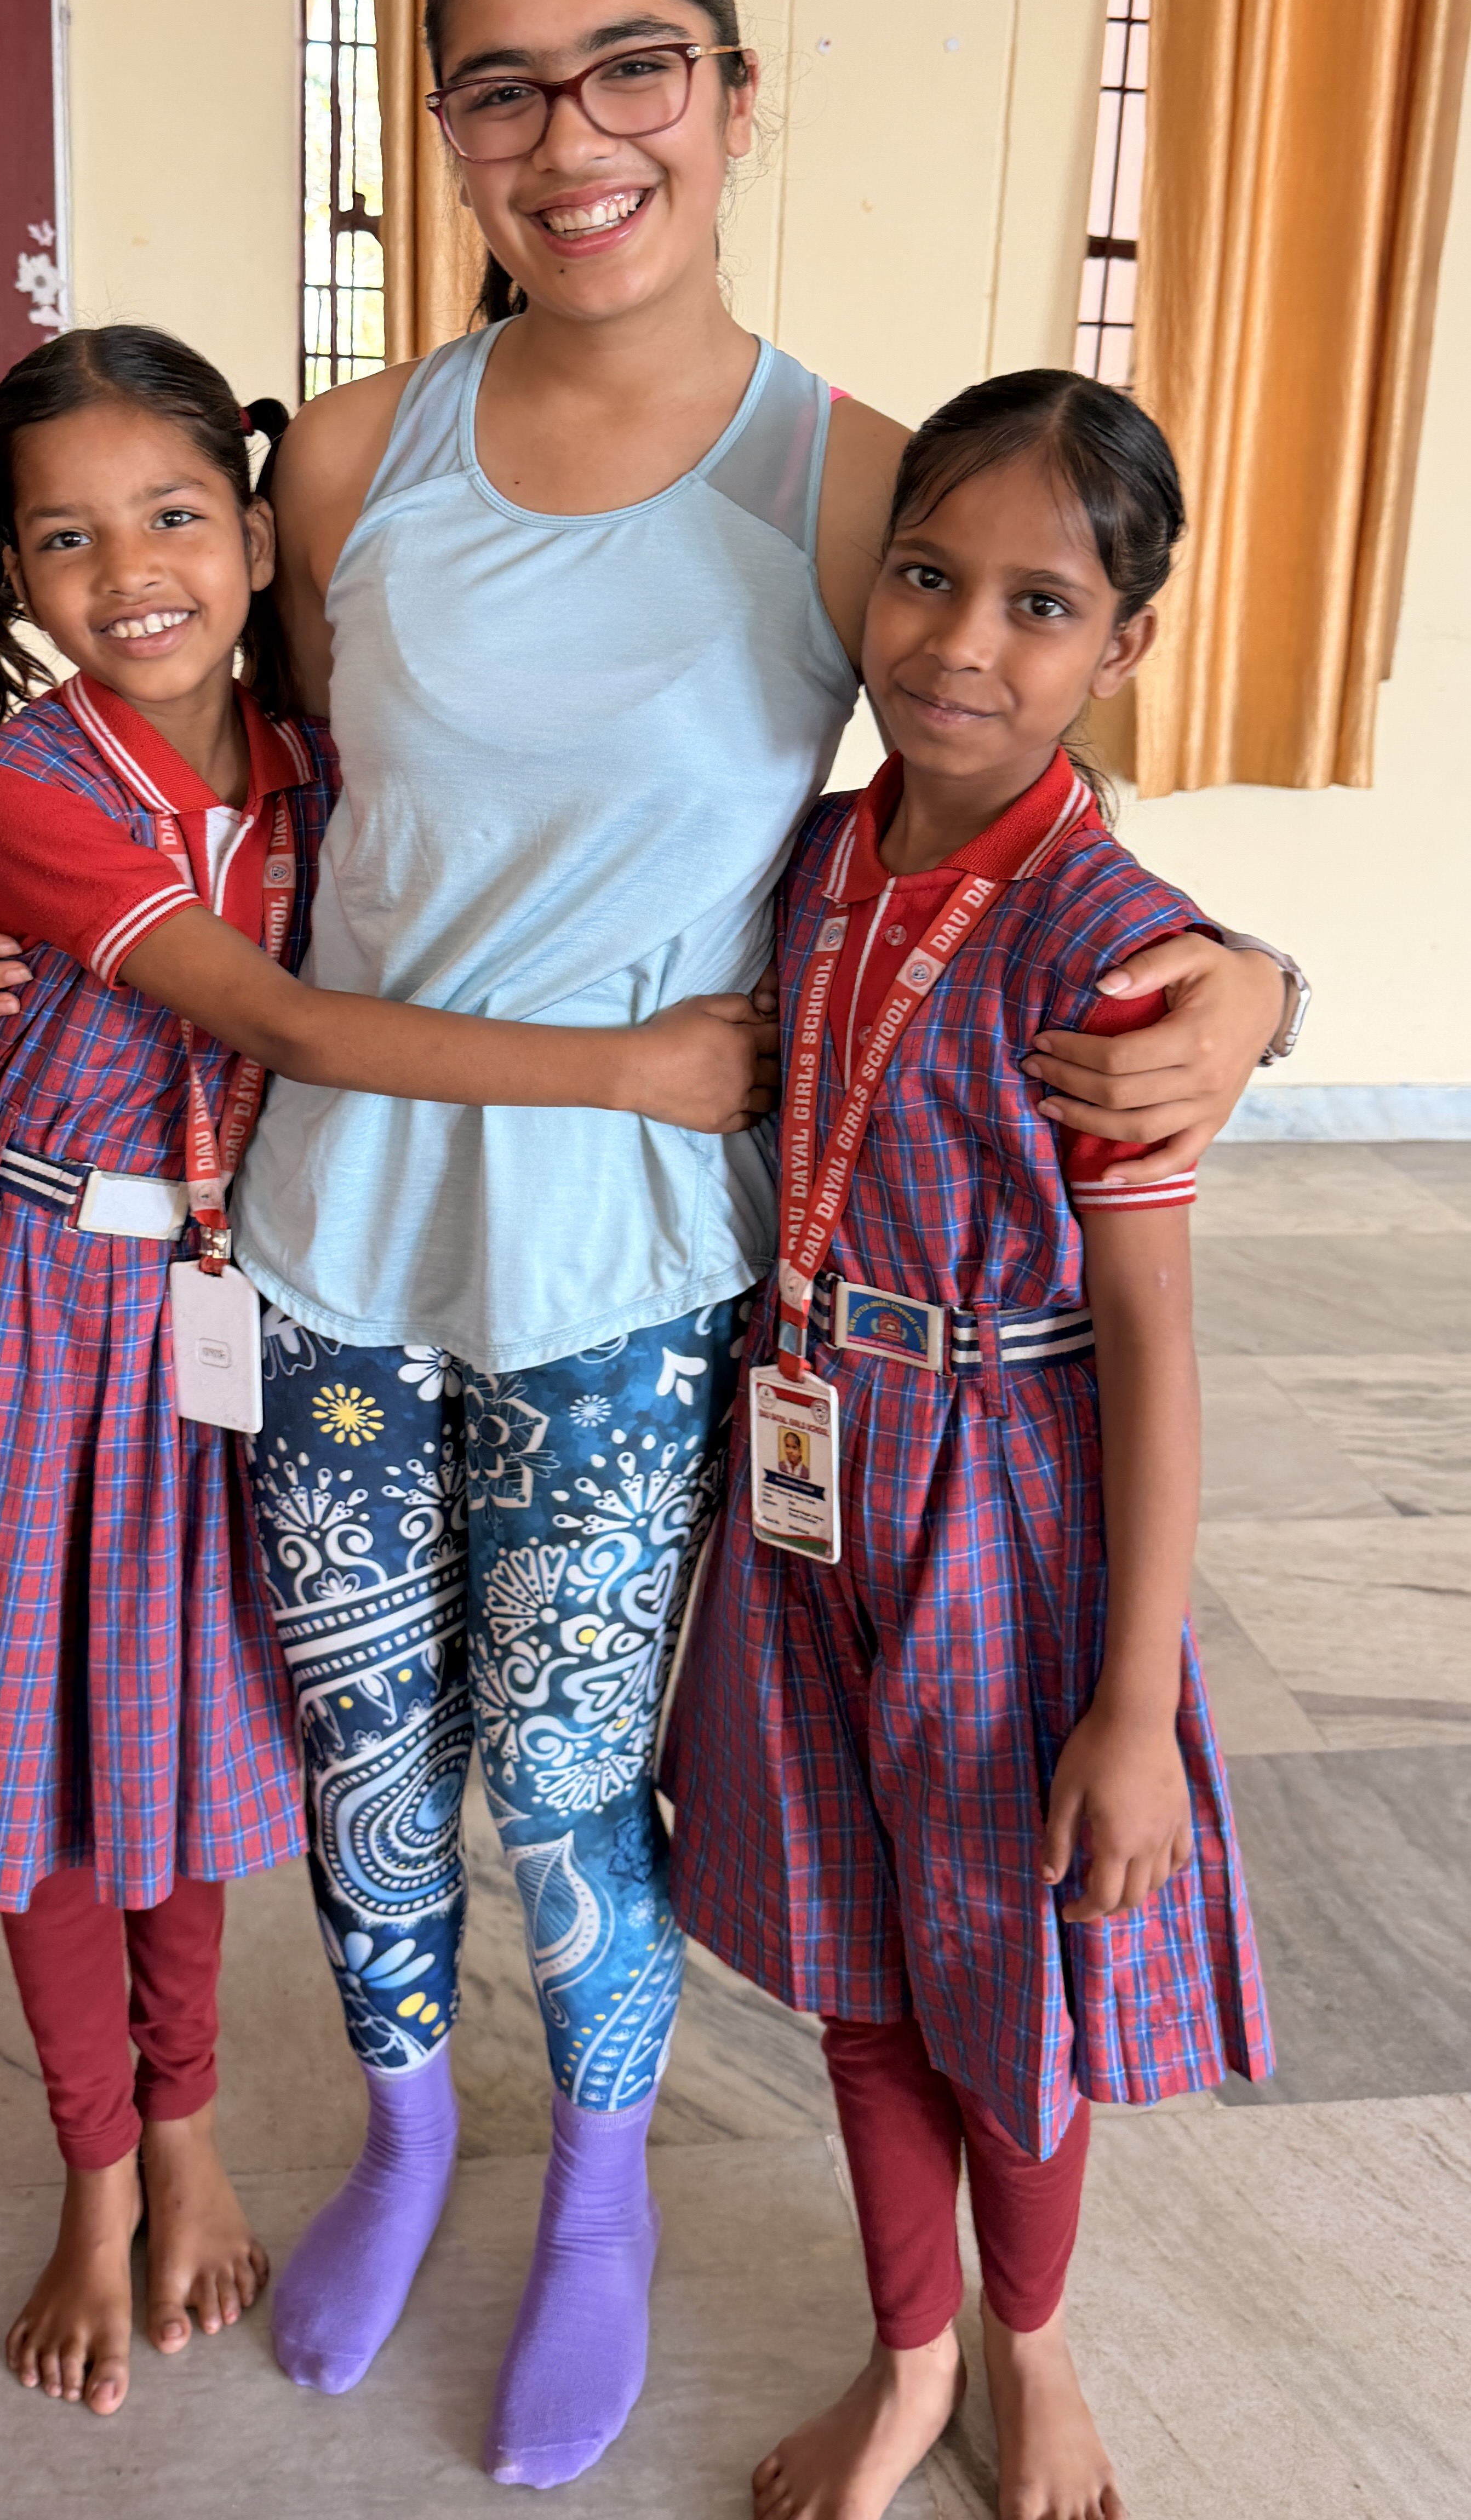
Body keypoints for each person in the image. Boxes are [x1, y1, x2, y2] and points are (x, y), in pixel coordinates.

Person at [0, 0, 1295, 2490]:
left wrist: (1255, 981)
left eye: (628, 66)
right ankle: (410, 2141)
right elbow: (214, 765)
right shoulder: (348, 457)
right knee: (367, 1769)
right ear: (444, 129)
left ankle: (603, 2192)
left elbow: (1000, 787)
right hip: (316, 1250)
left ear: (730, 96)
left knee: (561, 1781)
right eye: (502, 88)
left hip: (643, 1281)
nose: (574, 137)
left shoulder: (849, 471)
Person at [0, 323, 768, 2426]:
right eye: (65, 540)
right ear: (9, 584)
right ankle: (105, 2176)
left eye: (172, 514)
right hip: (36, 1313)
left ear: (260, 532)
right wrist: (642, 1071)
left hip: (229, 1314)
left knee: (186, 1760)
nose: (130, 569)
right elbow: (285, 1023)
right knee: (53, 1779)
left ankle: (225, 2143)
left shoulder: (329, 759)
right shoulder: (27, 787)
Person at [665, 370, 1274, 2520]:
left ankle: (1031, 2348)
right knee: (851, 1948)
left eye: (1040, 604)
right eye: (927, 577)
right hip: (803, 1479)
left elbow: (1149, 1337)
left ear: (1125, 645)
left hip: (1004, 1523)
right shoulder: (820, 857)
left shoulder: (1118, 955)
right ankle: (908, 2355)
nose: (960, 643)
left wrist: (1126, 1703)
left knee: (1002, 1975)